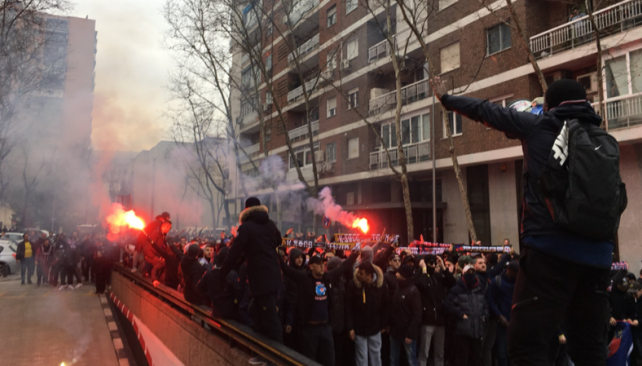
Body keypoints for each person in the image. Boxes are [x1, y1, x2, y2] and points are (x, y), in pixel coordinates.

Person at [431, 76, 617, 365]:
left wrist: (447, 99)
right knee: (590, 349)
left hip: (548, 253)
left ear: (549, 106)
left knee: (526, 346)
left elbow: (487, 111)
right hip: (598, 259)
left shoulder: (540, 125)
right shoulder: (602, 138)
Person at [279, 244, 361, 366]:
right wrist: (279, 255)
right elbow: (287, 270)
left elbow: (343, 267)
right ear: (311, 266)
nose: (323, 266)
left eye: (323, 264)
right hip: (309, 329)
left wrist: (355, 254)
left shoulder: (327, 277)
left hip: (326, 328)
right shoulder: (303, 278)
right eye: (319, 264)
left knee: (330, 361)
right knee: (309, 361)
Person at [220, 197, 284, 343]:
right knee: (255, 310)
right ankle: (261, 350)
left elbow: (233, 253)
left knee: (271, 319)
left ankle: (276, 358)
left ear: (246, 210)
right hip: (273, 275)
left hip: (261, 278)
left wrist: (222, 273)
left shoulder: (246, 228)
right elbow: (279, 240)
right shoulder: (270, 224)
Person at [345, 261, 389, 366]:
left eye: (361, 273)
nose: (358, 275)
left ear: (369, 275)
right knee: (362, 357)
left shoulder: (380, 284)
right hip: (359, 327)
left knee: (375, 354)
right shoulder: (353, 284)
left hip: (375, 326)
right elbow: (348, 306)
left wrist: (384, 323)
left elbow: (386, 304)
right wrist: (350, 327)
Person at [444, 265, 488, 366]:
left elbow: (485, 305)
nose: (471, 275)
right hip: (462, 332)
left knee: (476, 360)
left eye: (473, 272)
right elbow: (448, 304)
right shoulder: (457, 290)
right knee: (462, 360)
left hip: (477, 331)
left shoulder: (479, 289)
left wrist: (485, 316)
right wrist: (460, 314)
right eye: (469, 273)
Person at [416, 255, 455, 366]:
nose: (432, 266)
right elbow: (422, 285)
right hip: (427, 319)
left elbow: (452, 282)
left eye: (434, 263)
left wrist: (443, 267)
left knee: (440, 353)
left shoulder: (438, 278)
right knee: (424, 352)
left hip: (440, 320)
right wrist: (423, 269)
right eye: (430, 263)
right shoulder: (421, 276)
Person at [487, 261, 519, 366]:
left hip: (516, 321)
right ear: (509, 271)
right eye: (516, 273)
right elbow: (490, 300)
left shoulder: (518, 281)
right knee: (502, 353)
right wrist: (499, 316)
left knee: (514, 353)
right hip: (502, 322)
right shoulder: (497, 281)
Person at [389, 264, 421, 366]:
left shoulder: (413, 291)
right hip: (395, 331)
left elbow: (417, 314)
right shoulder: (398, 287)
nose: (396, 274)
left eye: (399, 272)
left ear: (403, 275)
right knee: (393, 359)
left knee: (411, 360)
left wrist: (410, 333)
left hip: (407, 333)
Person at [197, 247, 240, 319]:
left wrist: (211, 297)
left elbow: (199, 287)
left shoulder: (210, 273)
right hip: (230, 313)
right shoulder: (232, 274)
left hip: (216, 311)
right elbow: (238, 294)